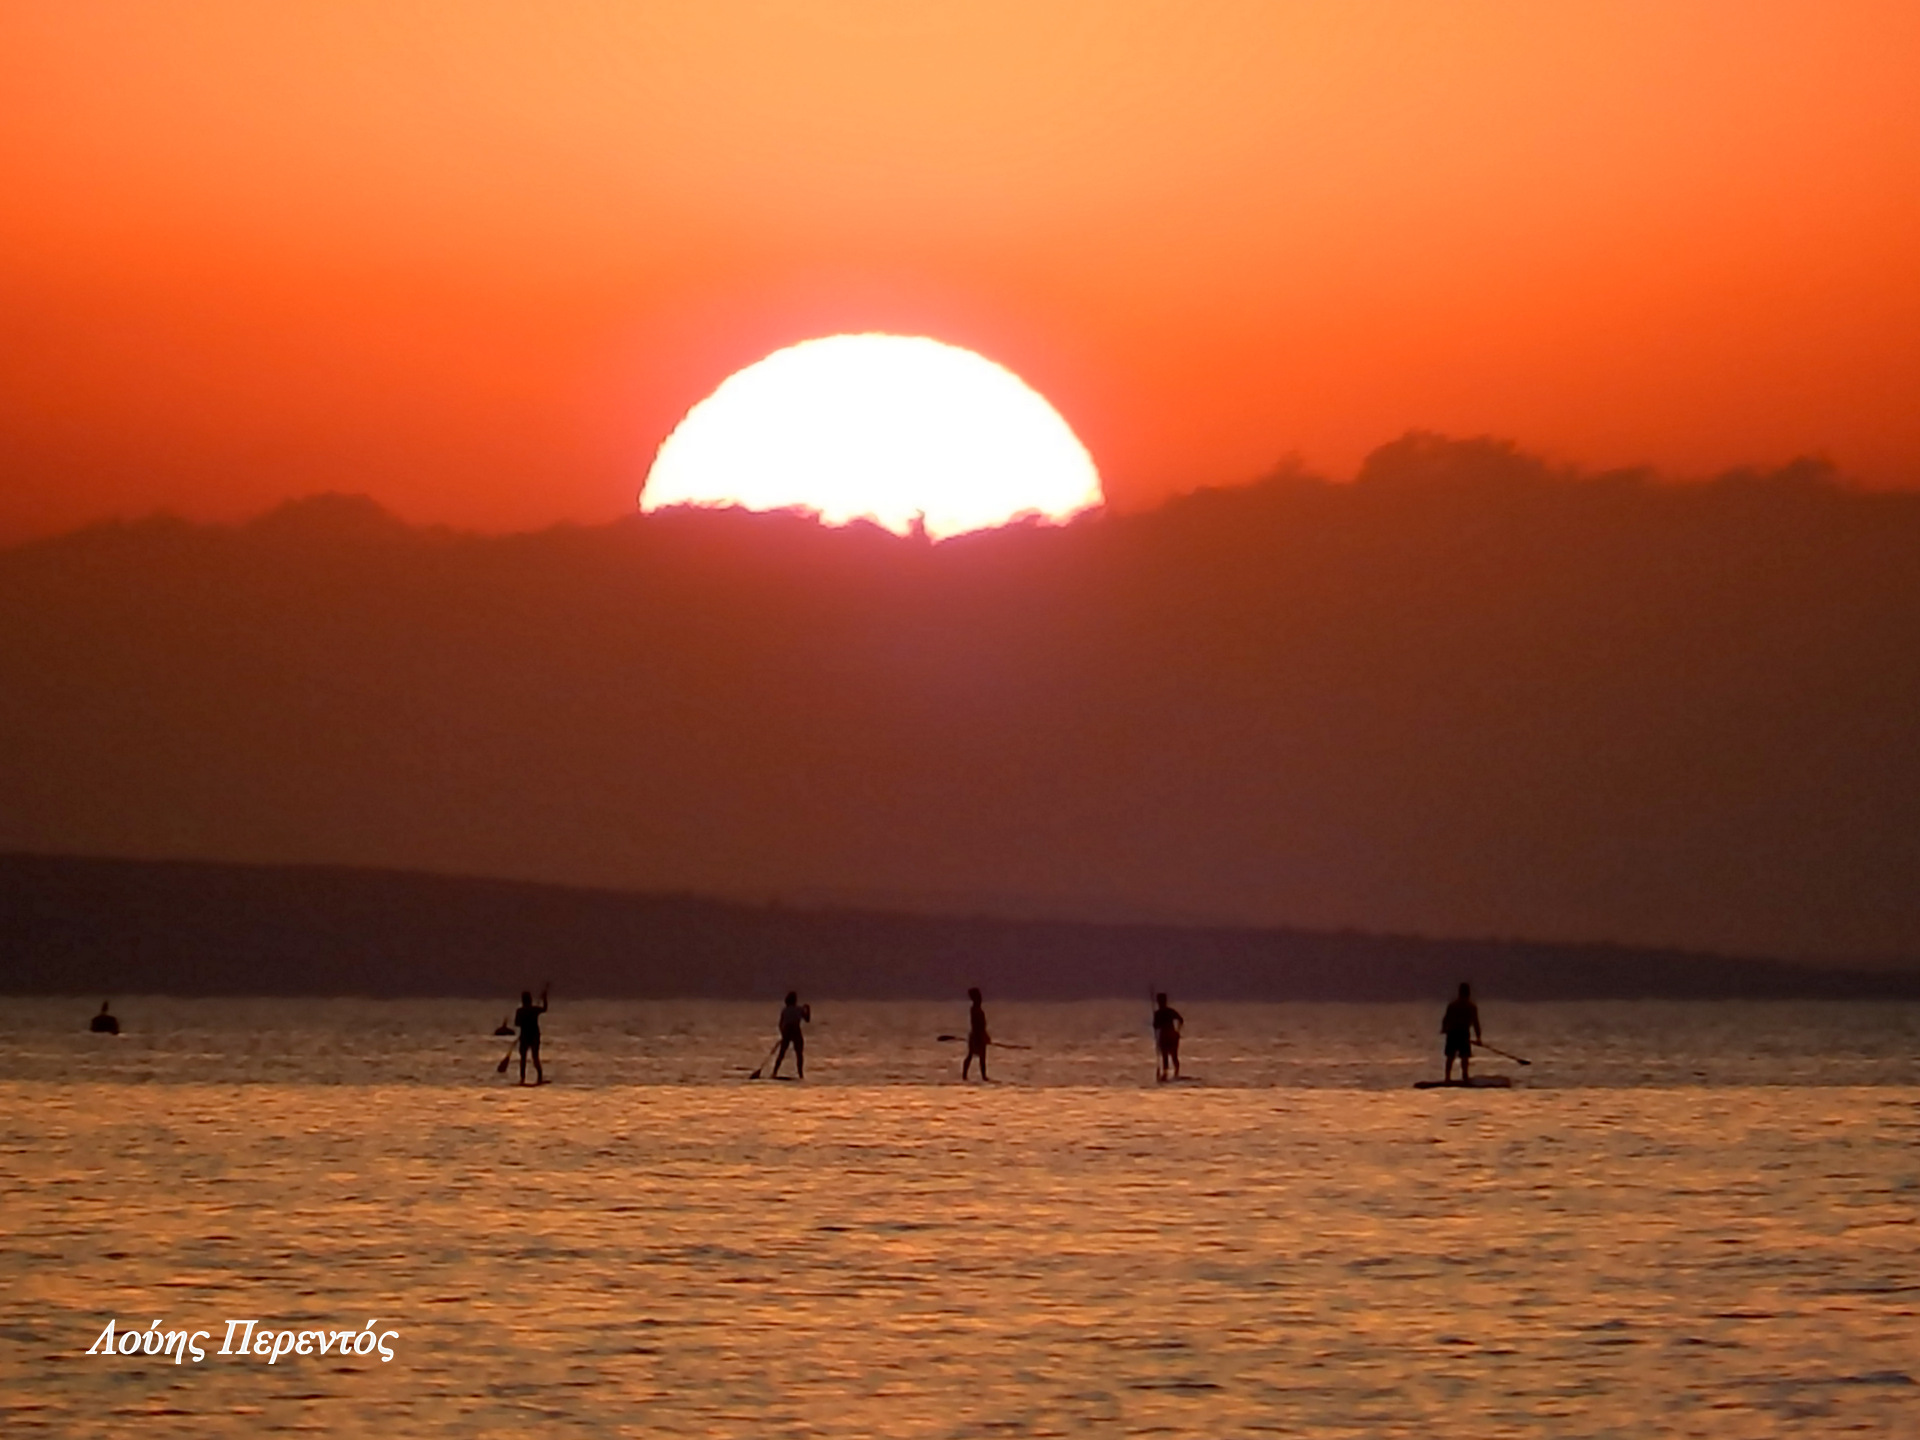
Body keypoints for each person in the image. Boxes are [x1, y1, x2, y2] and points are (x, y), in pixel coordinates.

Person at [1441, 981, 1482, 1082]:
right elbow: (1475, 1022)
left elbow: (1446, 1019)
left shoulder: (1453, 1005)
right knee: (1464, 1057)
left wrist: (1444, 1028)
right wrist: (1478, 1038)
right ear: (1468, 993)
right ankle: (1464, 1076)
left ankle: (1447, 1078)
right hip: (1462, 1033)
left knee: (1451, 1057)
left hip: (1453, 1033)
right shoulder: (1471, 1006)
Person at [514, 985, 549, 1086]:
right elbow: (545, 1008)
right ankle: (539, 1077)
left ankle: (523, 1078)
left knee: (524, 1058)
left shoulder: (521, 1011)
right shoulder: (533, 1010)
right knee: (534, 1057)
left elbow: (517, 1023)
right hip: (532, 1036)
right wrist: (545, 998)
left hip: (527, 1036)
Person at [771, 991, 810, 1079]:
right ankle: (800, 1074)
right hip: (794, 1031)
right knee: (799, 1054)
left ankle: (774, 1072)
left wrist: (783, 1033)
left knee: (782, 1053)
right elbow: (807, 1019)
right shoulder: (799, 1009)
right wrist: (808, 1009)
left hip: (788, 1031)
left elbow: (780, 1024)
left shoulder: (786, 1010)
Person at [1152, 992, 1183, 1081]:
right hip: (1169, 1035)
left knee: (1172, 1055)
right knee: (1168, 1055)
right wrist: (1177, 1032)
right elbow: (1156, 1026)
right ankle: (1168, 1074)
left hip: (1169, 1035)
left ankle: (1174, 1073)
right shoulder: (1161, 1013)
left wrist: (1177, 1031)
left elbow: (1180, 1019)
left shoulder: (1163, 1012)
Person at [963, 987, 991, 1081]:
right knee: (972, 1055)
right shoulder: (975, 1009)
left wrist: (985, 1035)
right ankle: (965, 1075)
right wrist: (981, 1036)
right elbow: (977, 1025)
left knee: (981, 1057)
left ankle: (983, 1076)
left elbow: (982, 1025)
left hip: (979, 1034)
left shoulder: (977, 1009)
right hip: (976, 1035)